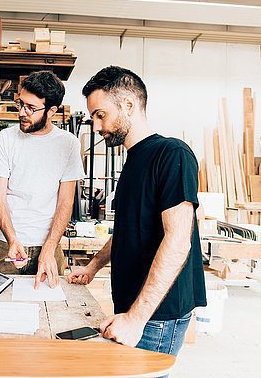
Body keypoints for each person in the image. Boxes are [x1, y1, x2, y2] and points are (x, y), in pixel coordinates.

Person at [68, 66, 206, 360]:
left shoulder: (171, 154)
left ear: (128, 104)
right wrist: (94, 266)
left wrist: (136, 318)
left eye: (100, 114)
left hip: (157, 314)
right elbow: (129, 229)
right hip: (133, 307)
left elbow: (179, 241)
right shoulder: (133, 160)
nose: (96, 126)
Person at [0, 71, 85, 289]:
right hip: (4, 244)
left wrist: (49, 248)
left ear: (52, 111)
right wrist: (12, 239)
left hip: (48, 243)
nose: (22, 112)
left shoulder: (68, 144)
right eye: (21, 104)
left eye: (31, 108)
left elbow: (65, 202)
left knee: (54, 311)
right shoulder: (5, 140)